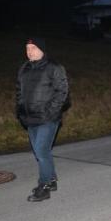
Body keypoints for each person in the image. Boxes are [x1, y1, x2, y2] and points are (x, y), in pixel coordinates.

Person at [16, 37, 70, 202]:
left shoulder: (54, 67)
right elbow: (19, 92)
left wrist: (50, 113)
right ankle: (51, 179)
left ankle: (44, 186)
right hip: (29, 118)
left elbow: (62, 92)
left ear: (41, 50)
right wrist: (20, 111)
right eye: (27, 48)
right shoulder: (24, 68)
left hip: (47, 118)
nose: (29, 51)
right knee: (41, 152)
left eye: (33, 48)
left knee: (41, 151)